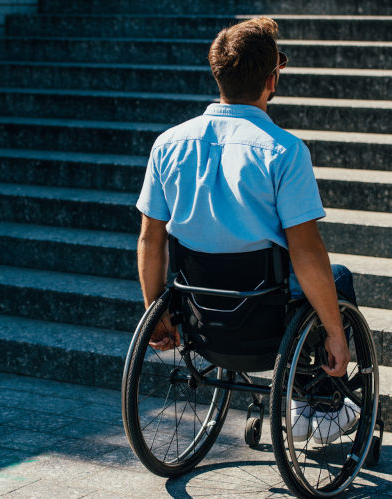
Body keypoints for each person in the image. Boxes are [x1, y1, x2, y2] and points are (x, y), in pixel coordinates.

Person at [135, 17, 358, 443]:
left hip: (199, 311)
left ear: (218, 74)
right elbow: (306, 252)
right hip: (265, 318)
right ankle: (320, 401)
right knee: (338, 277)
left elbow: (151, 238)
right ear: (273, 79)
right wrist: (335, 333)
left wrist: (154, 309)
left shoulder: (168, 144)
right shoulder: (284, 152)